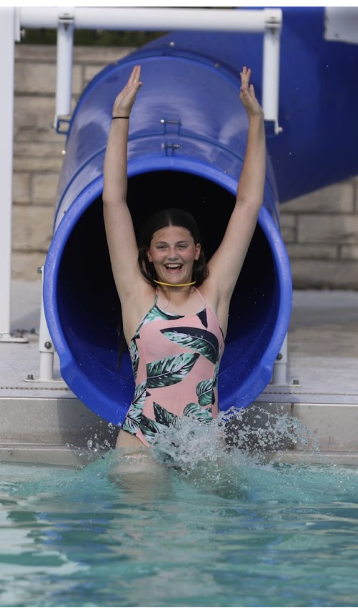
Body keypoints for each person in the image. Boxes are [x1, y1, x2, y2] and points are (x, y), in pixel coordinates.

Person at [103, 65, 265, 454]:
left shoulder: (215, 295)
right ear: (148, 254)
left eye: (181, 245)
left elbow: (247, 204)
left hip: (204, 445)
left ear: (197, 251)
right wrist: (120, 117)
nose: (172, 254)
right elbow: (113, 200)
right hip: (142, 439)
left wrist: (255, 120)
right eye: (162, 246)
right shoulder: (137, 297)